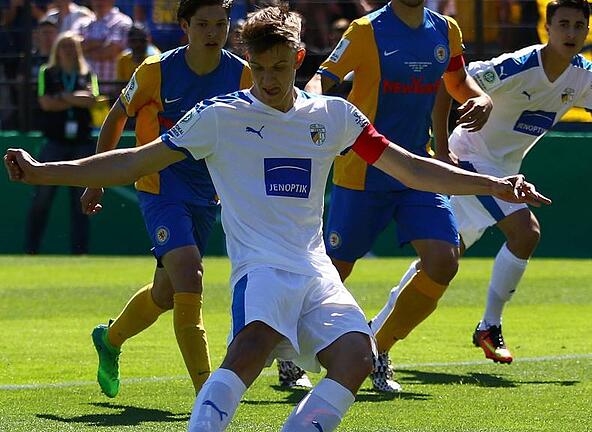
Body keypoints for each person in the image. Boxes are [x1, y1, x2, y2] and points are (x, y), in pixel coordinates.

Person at [4, 8, 550, 431]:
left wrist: (495, 184)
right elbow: (133, 160)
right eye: (260, 68)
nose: (268, 80)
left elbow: (411, 169)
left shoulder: (333, 115)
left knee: (357, 358)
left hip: (314, 269)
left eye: (280, 67)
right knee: (254, 343)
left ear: (298, 60)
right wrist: (44, 171)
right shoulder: (219, 118)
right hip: (260, 268)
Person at [391, 0, 592, 364]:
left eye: (579, 26)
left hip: (504, 169)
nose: (571, 32)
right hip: (469, 157)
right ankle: (489, 325)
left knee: (443, 258)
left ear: (586, 32)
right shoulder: (518, 65)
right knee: (525, 231)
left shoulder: (585, 77)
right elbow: (447, 84)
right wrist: (441, 149)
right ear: (547, 28)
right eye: (563, 24)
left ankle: (376, 333)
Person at [302, 0, 493, 393]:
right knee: (333, 271)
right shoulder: (365, 29)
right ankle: (291, 352)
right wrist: (310, 106)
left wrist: (480, 98)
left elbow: (458, 84)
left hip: (416, 171)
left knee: (443, 261)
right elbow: (324, 77)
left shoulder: (446, 30)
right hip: (363, 169)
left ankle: (379, 349)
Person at [78, 0, 252, 399]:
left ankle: (111, 338)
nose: (213, 33)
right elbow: (117, 117)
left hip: (208, 193)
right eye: (204, 24)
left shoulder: (240, 74)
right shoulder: (155, 71)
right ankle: (207, 396)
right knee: (190, 273)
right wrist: (96, 180)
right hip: (160, 187)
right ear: (184, 26)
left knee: (166, 293)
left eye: (221, 24)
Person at [24, 31, 99, 255]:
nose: (68, 51)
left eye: (72, 46)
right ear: (57, 50)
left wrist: (63, 97)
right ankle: (31, 250)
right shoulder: (47, 73)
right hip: (54, 143)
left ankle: (79, 252)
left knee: (81, 202)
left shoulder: (87, 73)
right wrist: (75, 98)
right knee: (42, 199)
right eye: (64, 46)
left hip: (81, 144)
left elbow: (92, 100)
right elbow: (46, 103)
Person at [75, 0, 133, 96]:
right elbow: (74, 48)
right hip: (85, 93)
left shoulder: (123, 22)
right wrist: (103, 41)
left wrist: (86, 50)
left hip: (113, 91)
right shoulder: (81, 23)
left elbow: (112, 50)